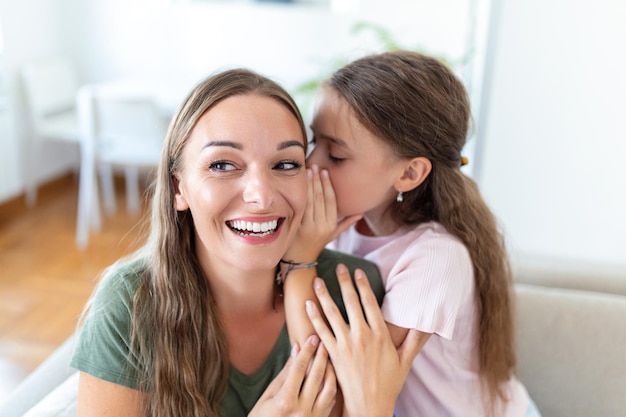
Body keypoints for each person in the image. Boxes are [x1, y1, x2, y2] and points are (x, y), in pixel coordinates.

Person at [69, 68, 421, 417]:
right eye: (222, 165)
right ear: (179, 187)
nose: (262, 196)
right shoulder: (129, 305)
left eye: (285, 164)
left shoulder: (353, 292)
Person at [287, 50, 542, 417]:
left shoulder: (434, 259)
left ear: (409, 174)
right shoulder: (340, 230)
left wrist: (300, 260)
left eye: (336, 155)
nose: (311, 164)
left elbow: (333, 395)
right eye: (314, 143)